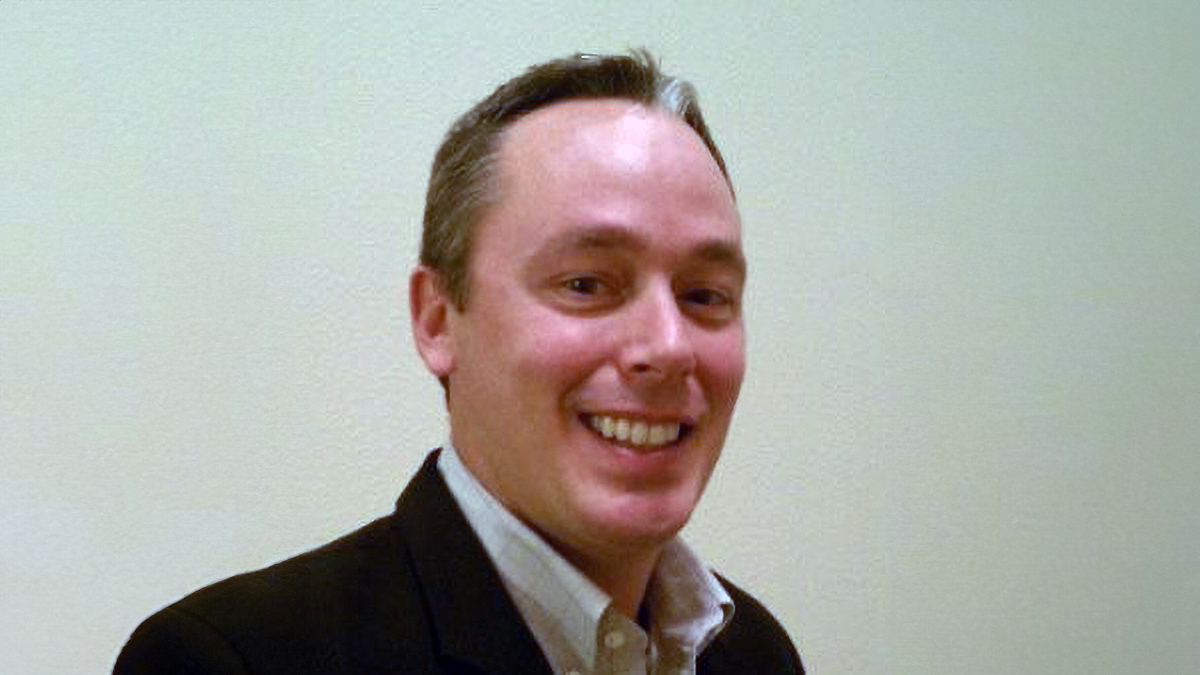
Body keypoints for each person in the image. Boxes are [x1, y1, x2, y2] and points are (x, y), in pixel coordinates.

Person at [115, 50, 803, 675]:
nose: (669, 346)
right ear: (438, 319)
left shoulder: (756, 656)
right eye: (586, 283)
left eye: (705, 295)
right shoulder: (228, 661)